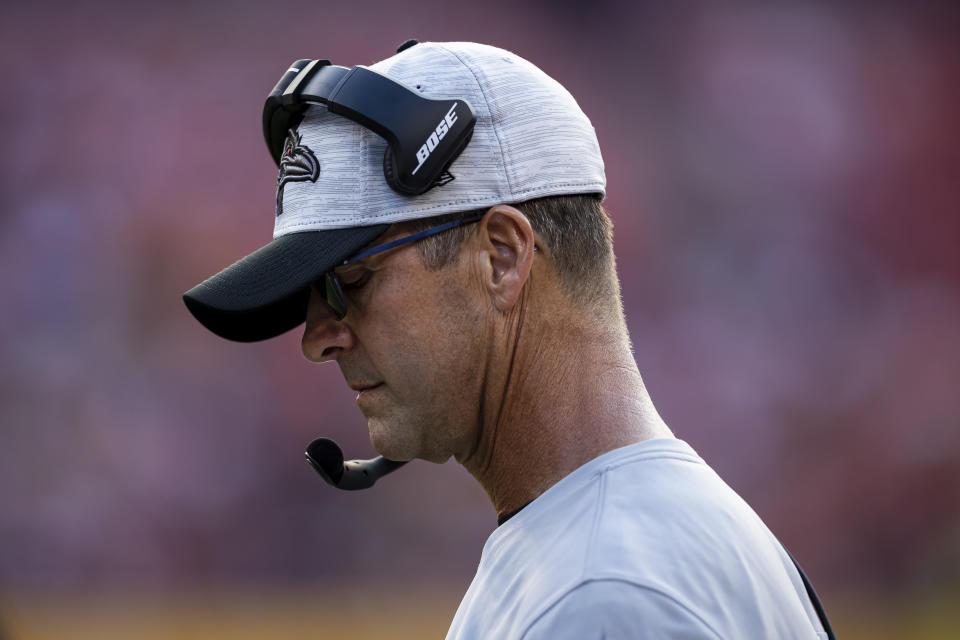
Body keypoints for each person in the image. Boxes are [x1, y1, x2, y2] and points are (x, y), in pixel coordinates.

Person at [184, 41, 832, 639]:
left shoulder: (601, 594)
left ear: (501, 256)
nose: (317, 340)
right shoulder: (638, 547)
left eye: (349, 279)